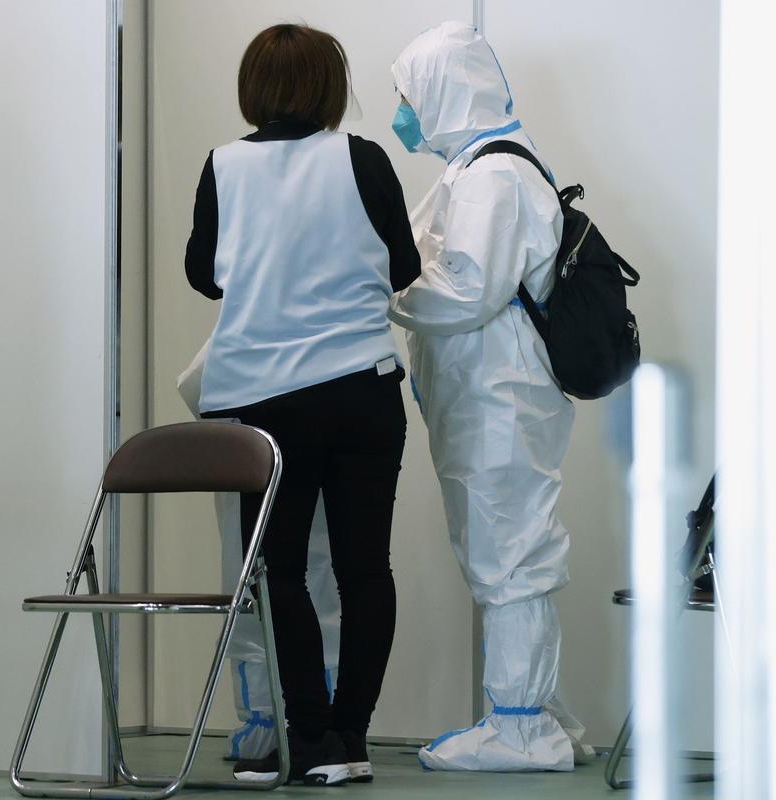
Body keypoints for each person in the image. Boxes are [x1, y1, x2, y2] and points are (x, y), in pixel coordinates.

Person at [184, 23, 420, 786]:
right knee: (363, 569)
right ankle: (349, 739)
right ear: (330, 87)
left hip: (263, 406)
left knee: (280, 572)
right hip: (361, 391)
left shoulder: (223, 166)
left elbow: (204, 276)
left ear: (252, 88)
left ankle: (306, 735)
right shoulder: (363, 159)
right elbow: (405, 266)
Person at [388, 21, 593, 772]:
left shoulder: (494, 178)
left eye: (408, 95)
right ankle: (537, 713)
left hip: (499, 397)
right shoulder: (473, 170)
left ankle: (520, 727)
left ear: (443, 92)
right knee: (504, 545)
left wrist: (386, 292)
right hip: (487, 394)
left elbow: (466, 290)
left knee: (508, 550)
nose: (401, 112)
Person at [176, 346, 342, 766]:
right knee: (274, 584)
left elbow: (198, 385)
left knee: (288, 583)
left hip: (280, 450)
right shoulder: (316, 326)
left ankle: (283, 722)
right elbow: (199, 386)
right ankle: (279, 720)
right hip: (274, 457)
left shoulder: (254, 323)